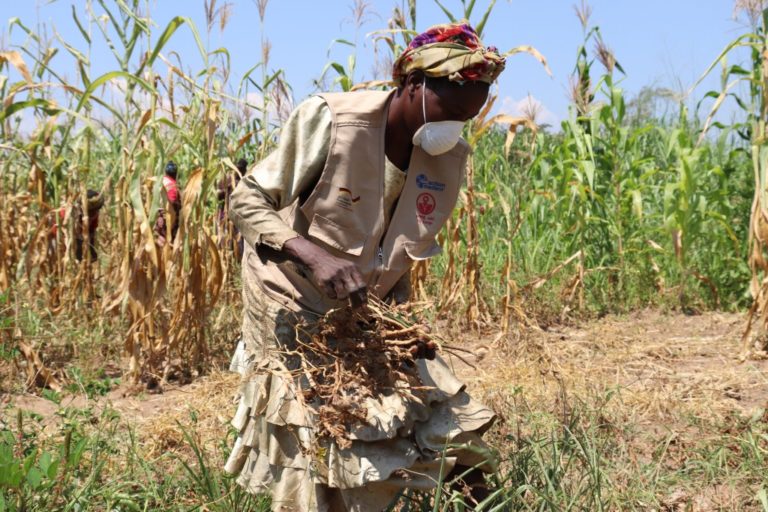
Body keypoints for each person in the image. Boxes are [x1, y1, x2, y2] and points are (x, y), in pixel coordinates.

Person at [225, 22, 506, 511]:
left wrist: (399, 324)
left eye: (470, 117)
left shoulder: (447, 156)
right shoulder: (334, 121)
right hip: (289, 291)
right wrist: (313, 255)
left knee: (437, 409)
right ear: (413, 85)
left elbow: (398, 248)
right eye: (452, 111)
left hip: (365, 303)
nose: (457, 127)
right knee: (318, 424)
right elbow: (247, 201)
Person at [49, 189, 104, 262]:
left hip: (78, 239)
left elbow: (91, 232)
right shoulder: (67, 213)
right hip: (61, 239)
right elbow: (58, 232)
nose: (94, 213)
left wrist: (91, 250)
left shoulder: (94, 214)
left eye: (96, 210)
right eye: (91, 211)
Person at [217, 158, 248, 256]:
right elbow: (218, 195)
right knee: (225, 238)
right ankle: (225, 258)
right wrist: (227, 189)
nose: (240, 171)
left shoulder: (244, 181)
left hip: (238, 216)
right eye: (239, 169)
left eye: (241, 170)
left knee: (237, 241)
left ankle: (236, 259)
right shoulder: (227, 180)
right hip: (225, 215)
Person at [154, 161, 181, 246]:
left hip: (159, 215)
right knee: (168, 242)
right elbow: (171, 203)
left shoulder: (160, 181)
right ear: (175, 174)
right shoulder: (173, 185)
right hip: (168, 217)